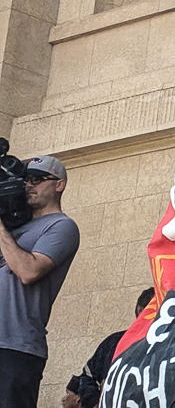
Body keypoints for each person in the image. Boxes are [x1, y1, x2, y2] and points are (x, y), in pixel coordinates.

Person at [0, 155, 80, 408]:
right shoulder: (14, 227)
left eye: (37, 179)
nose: (28, 185)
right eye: (25, 180)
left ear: (60, 184)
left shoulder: (62, 226)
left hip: (16, 347)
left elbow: (28, 271)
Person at [76, 286, 156, 407]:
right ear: (141, 310)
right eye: (157, 307)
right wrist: (95, 403)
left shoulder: (172, 344)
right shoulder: (114, 342)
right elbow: (87, 377)